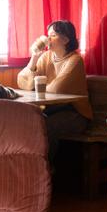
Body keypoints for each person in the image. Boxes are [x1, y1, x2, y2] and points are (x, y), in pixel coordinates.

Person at [17, 20, 92, 162]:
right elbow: (22, 82)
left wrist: (35, 85)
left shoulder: (75, 60)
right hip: (53, 109)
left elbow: (58, 89)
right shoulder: (46, 57)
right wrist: (34, 58)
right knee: (30, 121)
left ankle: (46, 169)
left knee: (45, 126)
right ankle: (32, 165)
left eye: (52, 35)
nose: (47, 39)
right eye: (47, 35)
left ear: (65, 39)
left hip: (76, 114)